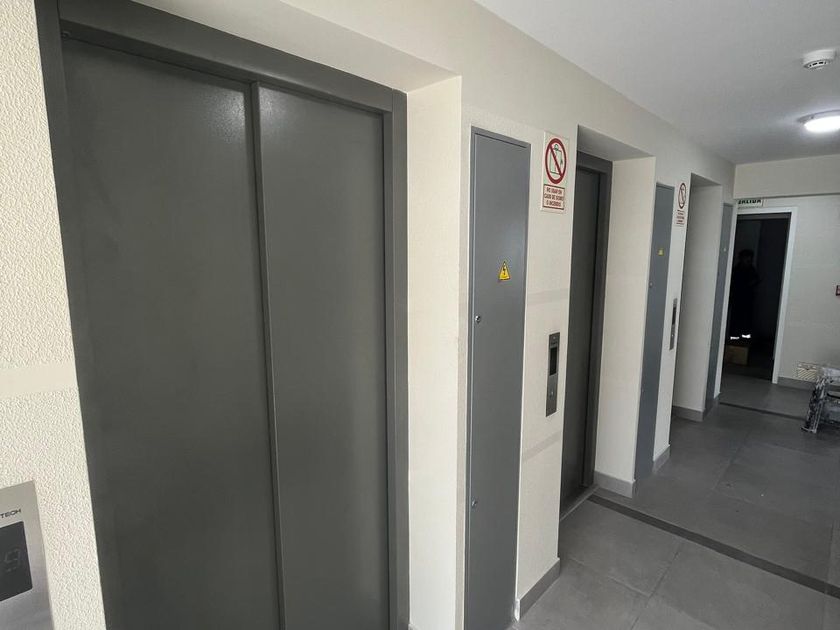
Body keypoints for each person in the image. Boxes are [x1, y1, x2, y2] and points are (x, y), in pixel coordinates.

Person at [729, 249, 760, 339]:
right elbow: (734, 284)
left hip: (747, 299)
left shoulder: (751, 270)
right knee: (736, 319)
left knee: (746, 319)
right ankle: (734, 338)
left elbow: (756, 280)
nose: (748, 262)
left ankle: (745, 339)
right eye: (747, 259)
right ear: (741, 259)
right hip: (737, 299)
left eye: (750, 260)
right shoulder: (736, 271)